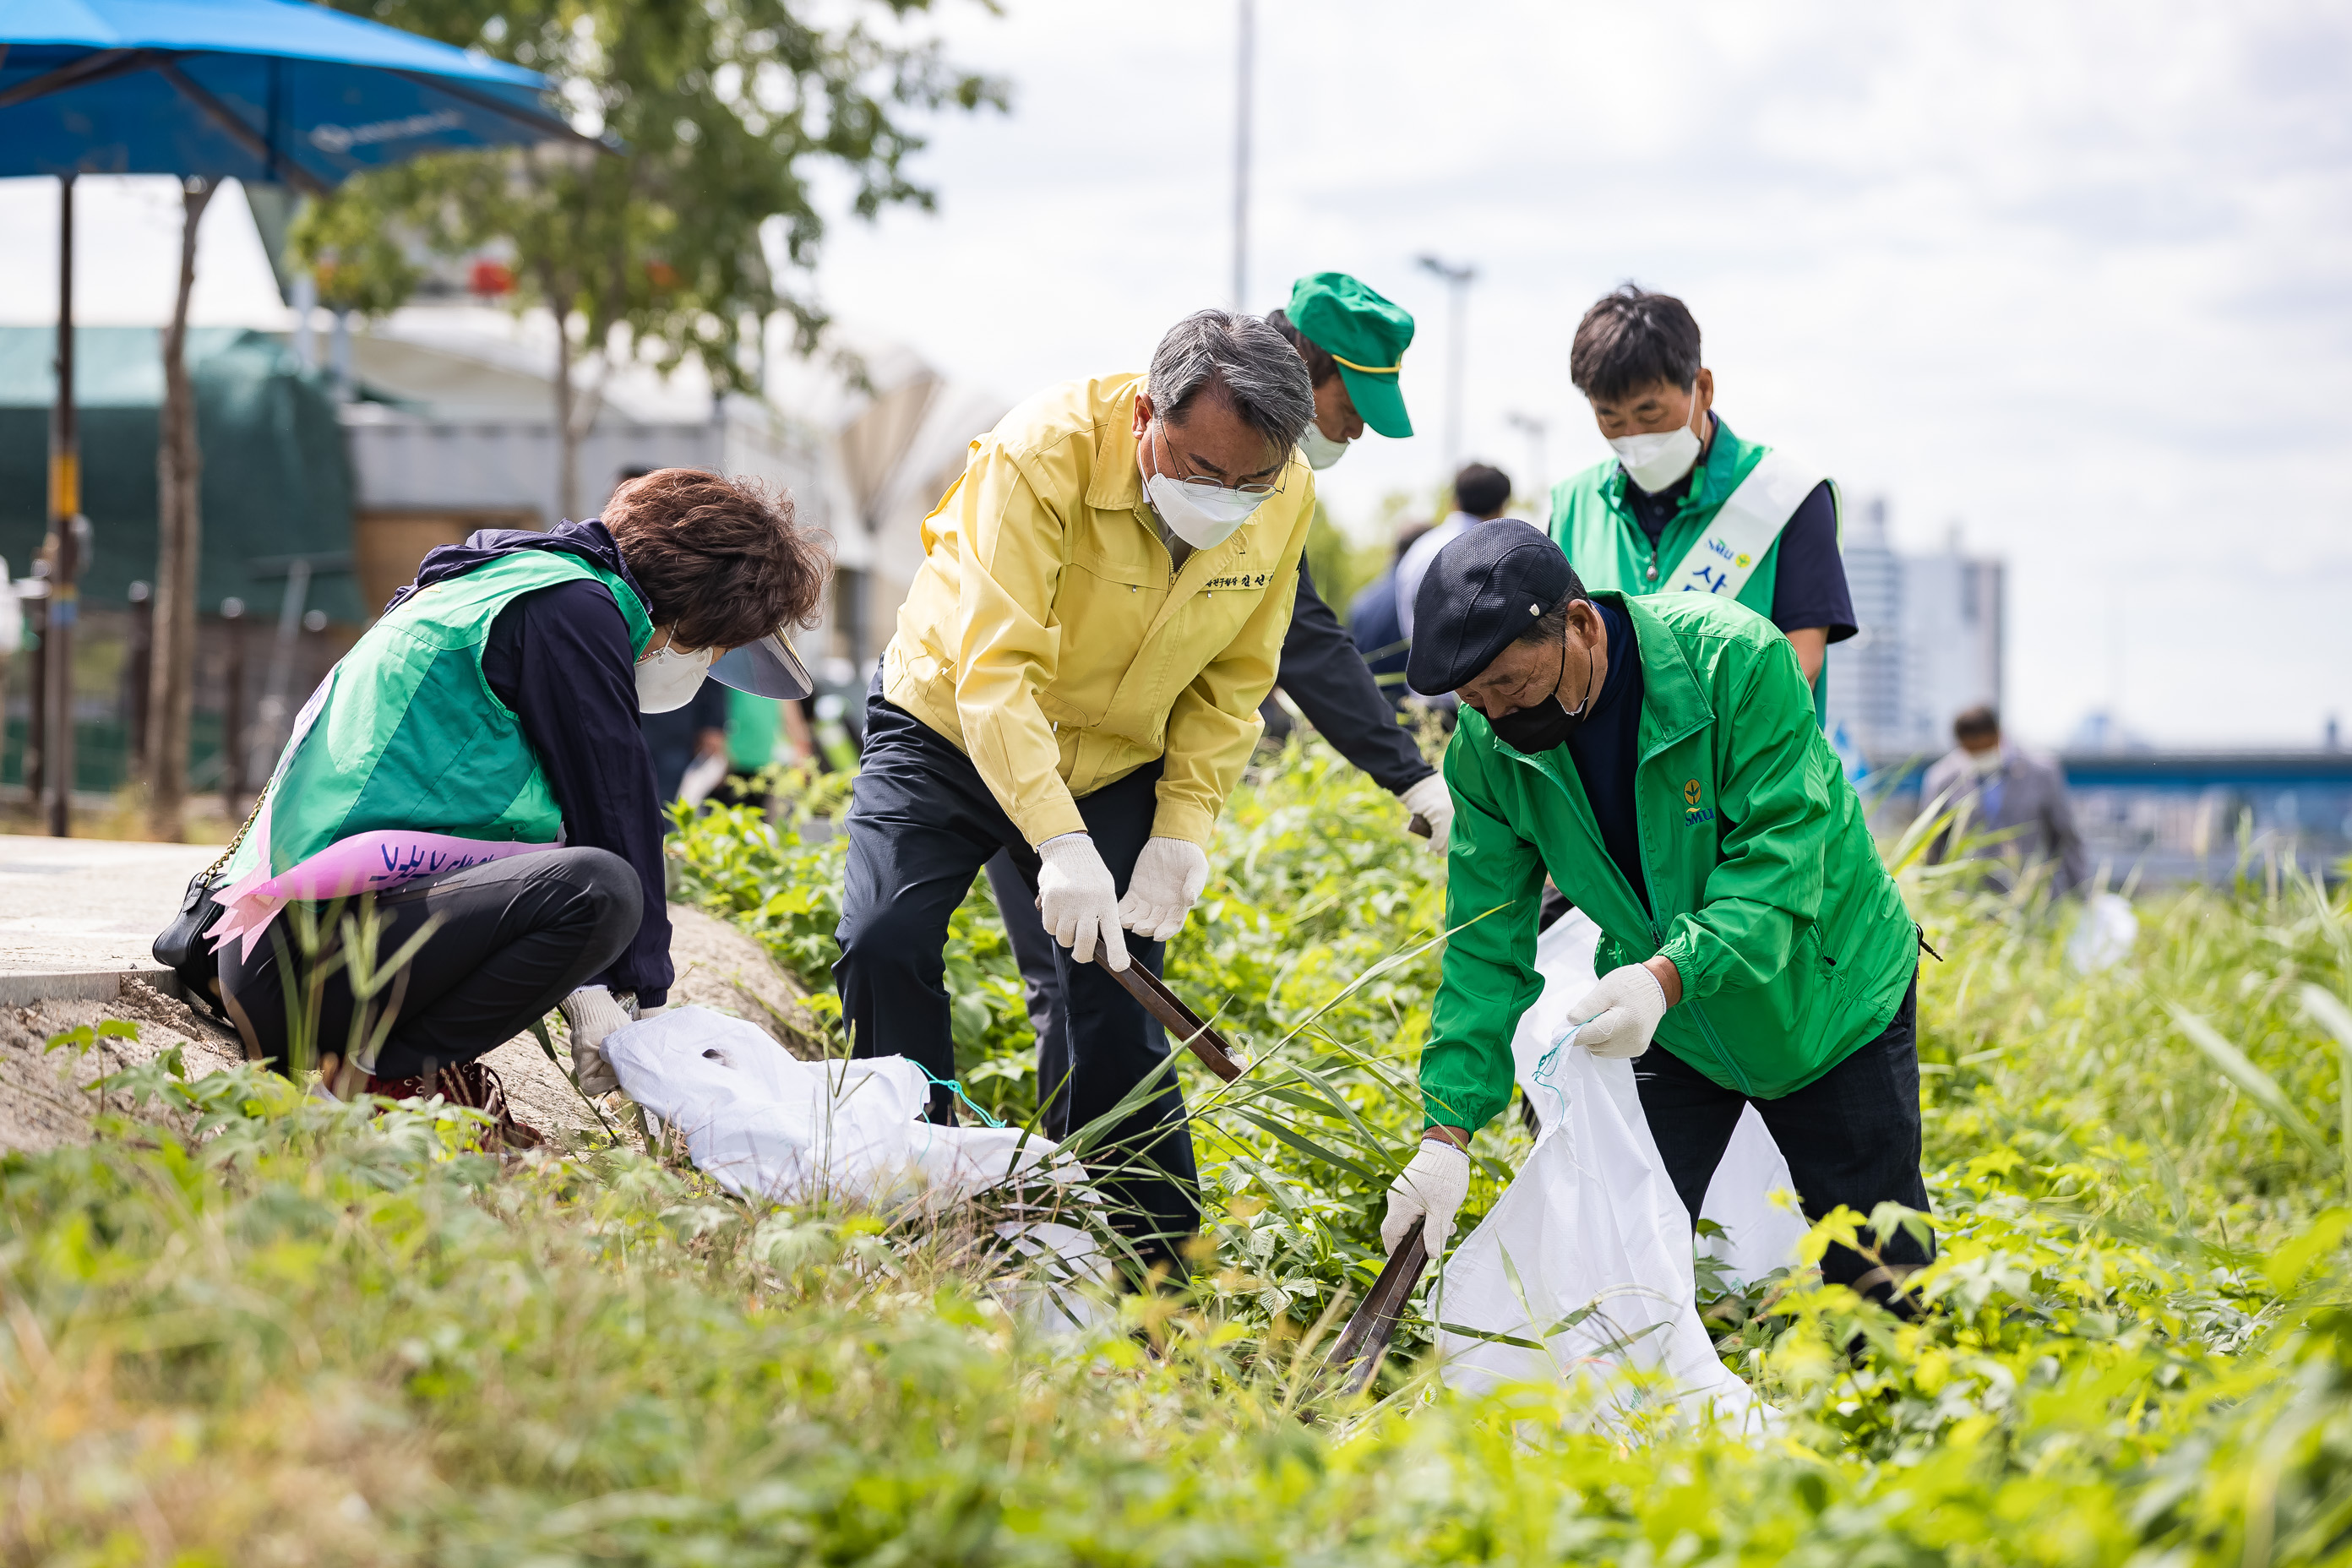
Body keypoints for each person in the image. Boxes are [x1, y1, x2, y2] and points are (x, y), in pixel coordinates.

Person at [831, 309, 1320, 1274]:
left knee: (1111, 994)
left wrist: (1181, 831)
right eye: (1200, 468)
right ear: (1146, 412)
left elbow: (1234, 679)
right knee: (883, 936)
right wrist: (1058, 842)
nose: (1228, 497)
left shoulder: (1286, 490)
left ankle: (1150, 1272)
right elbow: (994, 672)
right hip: (950, 722)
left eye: (1249, 481)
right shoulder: (1039, 453)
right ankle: (921, 1205)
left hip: (1114, 756)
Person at [1378, 521, 1932, 1306]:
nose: (1499, 715)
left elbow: (1782, 866)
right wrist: (1448, 1132)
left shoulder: (1736, 662)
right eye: (1475, 699)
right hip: (1668, 1015)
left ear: (1578, 623)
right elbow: (1483, 945)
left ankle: (1892, 1413)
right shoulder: (1486, 749)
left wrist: (1667, 978)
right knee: (1620, 1258)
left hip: (1828, 999)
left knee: (1879, 1274)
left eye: (1510, 685)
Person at [979, 274, 1451, 1146]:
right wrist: (1412, 773)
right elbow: (989, 654)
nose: (1356, 431)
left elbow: (1275, 646)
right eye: (1355, 406)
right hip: (1016, 735)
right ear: (1316, 368)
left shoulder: (1276, 495)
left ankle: (1108, 1213)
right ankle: (1061, 1193)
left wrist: (1411, 776)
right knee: (1070, 972)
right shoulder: (1140, 443)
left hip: (1124, 757)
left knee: (1103, 977)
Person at [217, 469, 825, 1143]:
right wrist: (648, 1000)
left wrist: (594, 985)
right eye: (706, 643)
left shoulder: (502, 578)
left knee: (585, 884)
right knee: (600, 892)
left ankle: (412, 1078)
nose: (696, 659)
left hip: (281, 950)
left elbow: (514, 828)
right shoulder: (574, 608)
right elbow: (617, 803)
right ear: (691, 608)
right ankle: (384, 1080)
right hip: (309, 964)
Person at [1547, 286, 1854, 714]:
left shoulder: (1788, 495)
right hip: (1612, 779)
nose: (1633, 437)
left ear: (1703, 388)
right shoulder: (1574, 505)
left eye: (1650, 413)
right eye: (1609, 417)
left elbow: (1801, 665)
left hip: (1748, 776)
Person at [1920, 705, 2088, 895]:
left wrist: (2081, 892)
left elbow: (2065, 835)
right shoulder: (1941, 778)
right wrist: (1927, 893)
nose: (1979, 755)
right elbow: (1931, 844)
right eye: (1972, 750)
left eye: (1985, 747)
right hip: (1966, 900)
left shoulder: (2041, 772)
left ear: (1998, 735)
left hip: (2032, 897)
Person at [1394, 463, 1514, 644]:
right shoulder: (1489, 549)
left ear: (1456, 502)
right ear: (1501, 507)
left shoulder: (1422, 546)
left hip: (1422, 659)